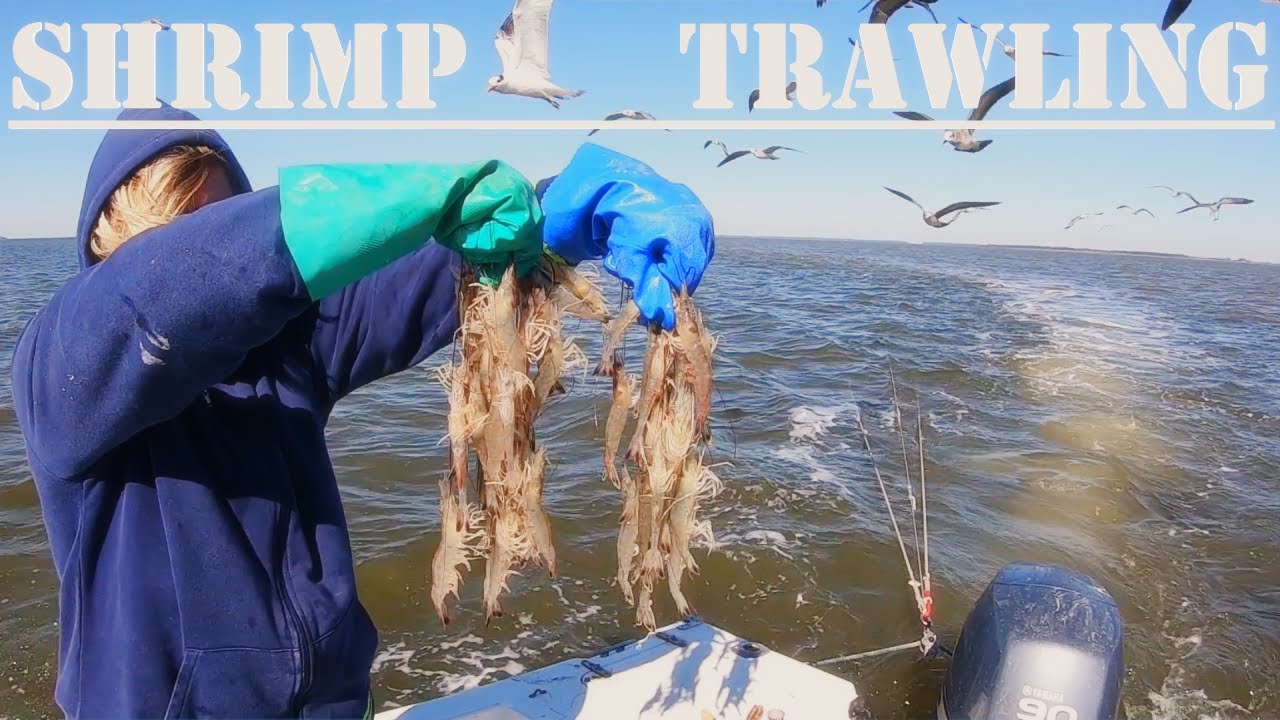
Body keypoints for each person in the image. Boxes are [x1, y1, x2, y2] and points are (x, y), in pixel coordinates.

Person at [10, 101, 713, 719]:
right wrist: (424, 195)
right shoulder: (62, 368)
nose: (205, 256)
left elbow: (425, 276)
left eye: (220, 218)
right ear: (107, 248)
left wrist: (556, 213)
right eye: (174, 235)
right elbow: (168, 293)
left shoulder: (284, 349)